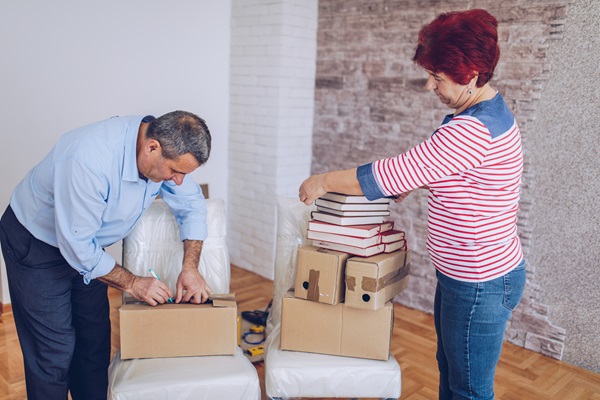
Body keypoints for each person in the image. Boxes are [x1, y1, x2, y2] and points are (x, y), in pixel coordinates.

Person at [299, 9, 526, 400]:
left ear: (471, 74)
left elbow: (389, 172)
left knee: (468, 389)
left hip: (479, 282)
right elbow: (453, 173)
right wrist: (418, 180)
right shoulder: (481, 112)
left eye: (437, 77)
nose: (428, 86)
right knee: (451, 369)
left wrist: (322, 181)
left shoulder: (472, 128)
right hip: (465, 275)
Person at [0, 110, 213, 400]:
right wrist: (134, 283)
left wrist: (190, 267)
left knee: (93, 341)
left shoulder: (164, 149)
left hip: (87, 246)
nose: (177, 181)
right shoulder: (88, 160)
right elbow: (77, 247)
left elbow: (192, 206)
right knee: (54, 351)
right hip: (36, 243)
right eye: (176, 172)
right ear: (153, 148)